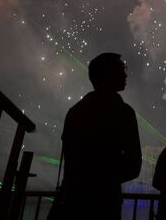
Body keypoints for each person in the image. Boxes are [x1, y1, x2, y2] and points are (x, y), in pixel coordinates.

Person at [53, 53, 142, 220]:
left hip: (72, 202)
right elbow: (134, 165)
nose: (125, 74)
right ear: (107, 74)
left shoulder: (75, 111)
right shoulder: (124, 113)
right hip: (105, 204)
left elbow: (71, 159)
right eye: (121, 69)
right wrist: (106, 181)